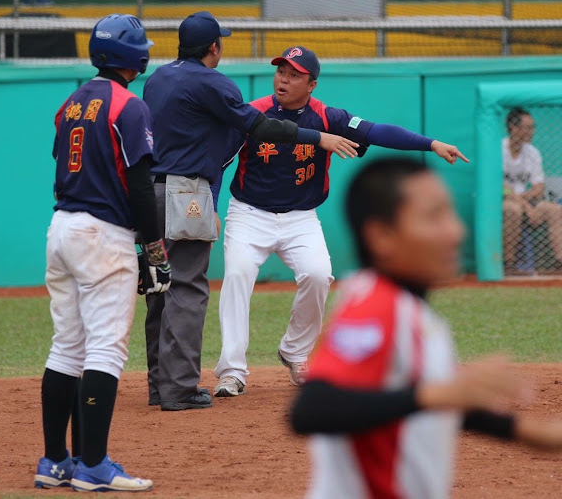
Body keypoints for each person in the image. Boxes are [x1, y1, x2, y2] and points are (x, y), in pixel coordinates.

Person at [290, 157, 562, 499]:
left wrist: (526, 432)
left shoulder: (409, 309)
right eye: (434, 216)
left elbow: (418, 399)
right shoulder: (378, 305)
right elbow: (312, 408)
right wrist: (436, 394)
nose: (455, 231)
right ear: (381, 236)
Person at [213, 46, 468, 396]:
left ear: (311, 84)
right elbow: (217, 161)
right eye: (281, 72)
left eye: (294, 75)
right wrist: (210, 204)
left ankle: (295, 352)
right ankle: (232, 371)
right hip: (249, 214)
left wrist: (432, 143)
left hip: (301, 218)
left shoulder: (327, 117)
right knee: (239, 274)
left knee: (318, 275)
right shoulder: (253, 114)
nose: (284, 79)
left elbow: (377, 131)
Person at [143, 13, 358, 411]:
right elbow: (257, 128)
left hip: (150, 192)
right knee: (188, 288)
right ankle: (181, 389)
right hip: (187, 192)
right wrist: (319, 137)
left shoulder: (157, 78)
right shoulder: (213, 83)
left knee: (160, 287)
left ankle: (159, 384)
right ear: (213, 48)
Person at [34, 14, 170, 492]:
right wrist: (155, 251)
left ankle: (54, 462)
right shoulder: (128, 105)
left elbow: (63, 163)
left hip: (62, 228)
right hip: (102, 235)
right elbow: (138, 184)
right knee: (105, 349)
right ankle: (92, 466)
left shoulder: (71, 102)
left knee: (66, 346)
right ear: (136, 56)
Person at [502, 107, 562, 274]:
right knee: (512, 209)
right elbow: (501, 188)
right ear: (514, 128)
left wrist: (526, 201)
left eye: (533, 127)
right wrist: (524, 204)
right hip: (503, 203)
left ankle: (560, 262)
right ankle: (509, 264)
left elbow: (539, 187)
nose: (532, 131)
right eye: (528, 127)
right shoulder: (498, 150)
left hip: (526, 200)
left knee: (554, 210)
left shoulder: (532, 152)